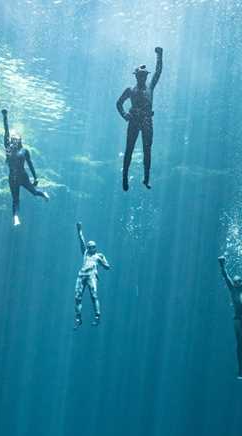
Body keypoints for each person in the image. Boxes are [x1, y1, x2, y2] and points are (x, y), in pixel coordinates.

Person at [116, 46, 164, 191]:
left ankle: (146, 178)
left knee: (147, 150)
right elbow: (118, 103)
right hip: (134, 121)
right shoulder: (130, 90)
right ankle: (125, 177)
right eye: (140, 75)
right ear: (136, 76)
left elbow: (158, 71)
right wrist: (125, 115)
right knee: (129, 149)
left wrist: (160, 56)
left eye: (144, 75)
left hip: (147, 121)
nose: (143, 77)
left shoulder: (150, 87)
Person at [1, 108, 49, 226]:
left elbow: (30, 164)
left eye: (16, 139)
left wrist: (35, 178)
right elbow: (6, 130)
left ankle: (43, 194)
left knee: (34, 192)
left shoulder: (24, 151)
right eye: (12, 139)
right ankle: (16, 218)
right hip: (12, 178)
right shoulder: (8, 148)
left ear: (20, 141)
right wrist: (5, 117)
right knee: (15, 200)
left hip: (23, 177)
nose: (14, 141)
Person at [74, 222, 111, 328]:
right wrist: (79, 230)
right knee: (77, 297)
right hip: (81, 275)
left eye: (93, 247)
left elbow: (107, 267)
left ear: (95, 247)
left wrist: (103, 260)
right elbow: (81, 240)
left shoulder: (98, 256)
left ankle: (97, 316)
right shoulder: (85, 253)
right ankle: (78, 318)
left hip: (91, 276)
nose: (91, 248)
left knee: (94, 296)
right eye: (89, 247)